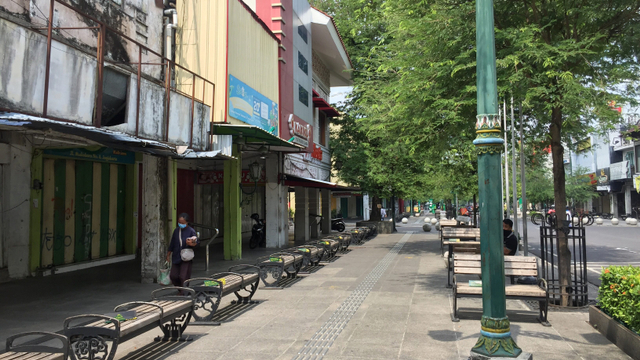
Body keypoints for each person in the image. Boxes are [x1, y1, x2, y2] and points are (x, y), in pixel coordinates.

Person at [166, 213, 199, 287]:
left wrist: (191, 243)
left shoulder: (191, 231)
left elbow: (196, 243)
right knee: (173, 276)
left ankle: (184, 291)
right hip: (176, 256)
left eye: (182, 223)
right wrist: (168, 255)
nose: (180, 224)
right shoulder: (176, 231)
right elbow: (172, 243)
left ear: (187, 222)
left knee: (183, 276)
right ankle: (180, 288)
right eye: (179, 222)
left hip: (186, 256)